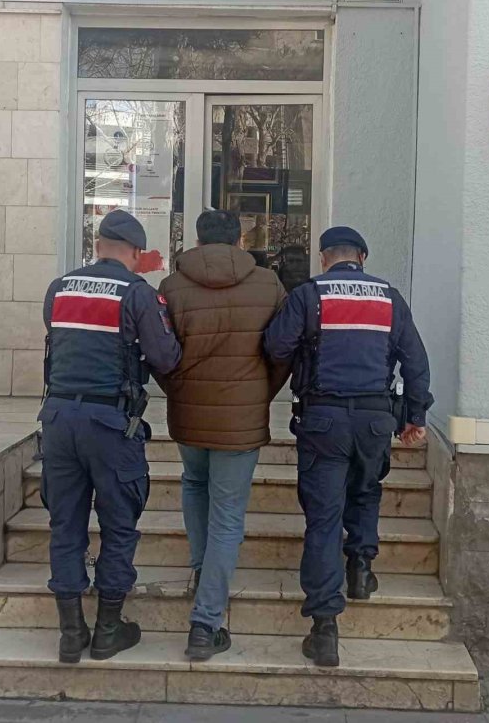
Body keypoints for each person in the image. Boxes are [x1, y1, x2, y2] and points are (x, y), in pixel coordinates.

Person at [264, 226, 432, 667]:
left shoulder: (308, 295)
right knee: (365, 491)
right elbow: (416, 361)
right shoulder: (389, 299)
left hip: (323, 418)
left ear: (324, 258)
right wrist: (416, 417)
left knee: (323, 518)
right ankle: (360, 570)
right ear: (363, 256)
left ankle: (324, 629)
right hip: (376, 419)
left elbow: (276, 345)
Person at [40, 209, 181, 664]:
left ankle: (68, 633)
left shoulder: (60, 287)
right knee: (119, 526)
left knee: (65, 525)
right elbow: (166, 357)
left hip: (58, 418)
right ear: (137, 254)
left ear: (98, 245)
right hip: (110, 424)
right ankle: (107, 629)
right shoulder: (138, 293)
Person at [158, 210, 290, 660]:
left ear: (197, 240)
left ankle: (203, 574)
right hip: (242, 418)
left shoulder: (172, 286)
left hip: (189, 414)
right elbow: (282, 350)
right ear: (239, 240)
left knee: (195, 486)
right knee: (229, 513)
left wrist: (176, 389)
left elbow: (162, 354)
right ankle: (205, 622)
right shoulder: (269, 284)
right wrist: (261, 394)